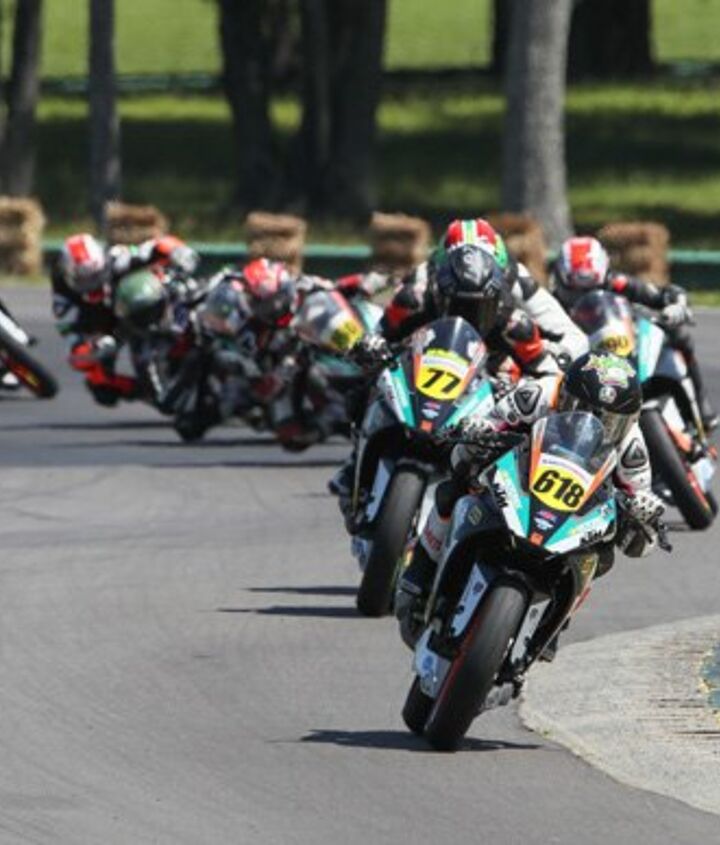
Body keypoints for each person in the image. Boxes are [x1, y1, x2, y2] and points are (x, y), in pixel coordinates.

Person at [395, 350, 666, 649]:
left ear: (628, 422)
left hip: (574, 508)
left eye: (609, 421)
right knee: (456, 484)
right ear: (564, 395)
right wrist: (479, 431)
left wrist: (644, 514)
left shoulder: (631, 445)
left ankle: (556, 622)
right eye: (583, 409)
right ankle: (419, 572)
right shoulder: (537, 394)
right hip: (519, 476)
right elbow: (489, 423)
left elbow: (642, 511)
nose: (594, 423)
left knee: (603, 555)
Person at [328, 239, 589, 502]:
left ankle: (498, 496)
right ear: (440, 294)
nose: (469, 314)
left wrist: (525, 384)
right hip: (425, 369)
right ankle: (355, 463)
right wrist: (372, 346)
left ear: (497, 298)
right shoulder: (414, 299)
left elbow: (549, 372)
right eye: (459, 303)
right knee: (368, 382)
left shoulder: (515, 325)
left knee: (525, 422)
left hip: (485, 388)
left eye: (479, 306)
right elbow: (380, 334)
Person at [549, 235, 717, 431]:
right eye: (575, 291)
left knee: (679, 336)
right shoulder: (549, 304)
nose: (584, 295)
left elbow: (663, 293)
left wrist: (676, 305)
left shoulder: (618, 283)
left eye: (593, 287)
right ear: (561, 280)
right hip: (584, 366)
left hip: (624, 345)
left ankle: (702, 408)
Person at [52, 232, 199, 406]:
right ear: (67, 275)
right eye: (84, 280)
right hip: (114, 327)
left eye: (96, 276)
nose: (93, 284)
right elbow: (73, 348)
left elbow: (155, 246)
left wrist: (178, 252)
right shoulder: (64, 299)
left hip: (156, 298)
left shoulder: (117, 258)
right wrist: (93, 348)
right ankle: (148, 392)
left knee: (189, 290)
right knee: (100, 383)